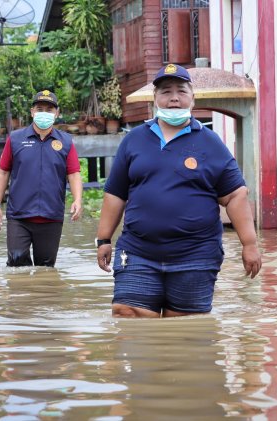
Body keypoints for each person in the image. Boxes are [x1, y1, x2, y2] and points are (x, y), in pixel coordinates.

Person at [95, 64, 262, 318]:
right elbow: (115, 194)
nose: (174, 97)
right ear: (155, 99)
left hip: (195, 255)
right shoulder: (134, 140)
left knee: (185, 330)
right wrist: (104, 239)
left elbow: (235, 195)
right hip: (139, 252)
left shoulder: (210, 142)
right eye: (166, 91)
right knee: (127, 313)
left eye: (181, 91)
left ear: (192, 98)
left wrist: (249, 244)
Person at [0, 90, 83, 266]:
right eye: (39, 108)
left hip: (51, 216)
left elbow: (73, 173)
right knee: (16, 266)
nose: (44, 113)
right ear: (32, 112)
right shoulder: (16, 139)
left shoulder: (66, 142)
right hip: (19, 216)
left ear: (57, 113)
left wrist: (78, 199)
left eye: (49, 110)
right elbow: (3, 172)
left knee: (46, 270)